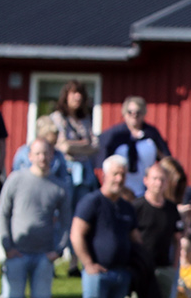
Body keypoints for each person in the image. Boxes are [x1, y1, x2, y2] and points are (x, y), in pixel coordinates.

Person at [0, 137, 72, 298]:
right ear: (29, 156)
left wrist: (58, 250)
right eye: (38, 153)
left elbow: (67, 221)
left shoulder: (59, 186)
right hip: (17, 254)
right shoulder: (16, 179)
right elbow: (2, 213)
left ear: (52, 156)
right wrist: (7, 246)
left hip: (43, 257)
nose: (42, 158)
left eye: (46, 154)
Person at [69, 154, 137, 298]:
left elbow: (136, 238)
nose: (119, 179)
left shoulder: (126, 208)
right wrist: (88, 263)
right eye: (115, 174)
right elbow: (76, 234)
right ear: (105, 175)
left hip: (120, 272)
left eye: (122, 174)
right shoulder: (92, 202)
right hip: (97, 272)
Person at [119, 161, 180, 298]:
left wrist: (175, 267)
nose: (158, 183)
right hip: (139, 269)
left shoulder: (171, 210)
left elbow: (177, 240)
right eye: (154, 179)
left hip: (162, 268)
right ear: (146, 181)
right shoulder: (137, 207)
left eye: (162, 180)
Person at [97, 96, 169, 198]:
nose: (134, 115)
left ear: (144, 113)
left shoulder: (151, 134)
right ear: (124, 113)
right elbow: (102, 163)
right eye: (130, 112)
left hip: (145, 188)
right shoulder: (115, 135)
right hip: (121, 188)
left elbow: (166, 159)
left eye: (138, 112)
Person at [50, 80, 98, 208]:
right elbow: (64, 146)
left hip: (85, 172)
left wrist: (74, 147)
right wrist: (84, 144)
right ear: (66, 96)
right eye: (74, 93)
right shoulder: (58, 118)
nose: (78, 97)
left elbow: (95, 146)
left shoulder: (85, 119)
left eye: (80, 93)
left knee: (83, 207)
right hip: (66, 171)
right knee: (65, 208)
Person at [10, 117, 74, 194]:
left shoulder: (58, 155)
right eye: (49, 144)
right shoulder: (24, 154)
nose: (51, 150)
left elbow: (65, 181)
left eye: (53, 144)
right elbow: (16, 181)